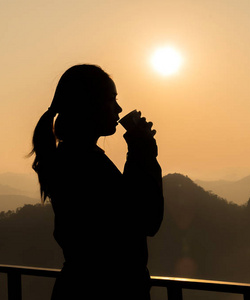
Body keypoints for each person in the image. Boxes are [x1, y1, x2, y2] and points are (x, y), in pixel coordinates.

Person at [30, 64, 164, 299]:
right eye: (111, 100)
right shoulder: (84, 164)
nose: (119, 109)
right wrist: (142, 154)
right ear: (87, 105)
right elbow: (145, 219)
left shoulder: (70, 157)